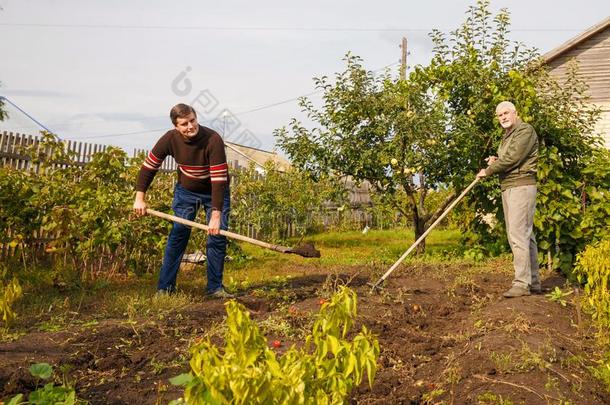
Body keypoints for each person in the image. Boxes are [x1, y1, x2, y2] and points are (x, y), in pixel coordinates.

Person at [133, 103, 233, 298]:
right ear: (176, 127)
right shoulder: (169, 139)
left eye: (192, 120)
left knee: (217, 236)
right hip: (186, 192)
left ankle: (215, 288)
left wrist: (215, 214)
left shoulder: (212, 139)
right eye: (184, 124)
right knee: (178, 234)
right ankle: (165, 288)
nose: (190, 126)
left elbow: (219, 180)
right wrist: (139, 198)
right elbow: (149, 167)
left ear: (196, 118)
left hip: (215, 191)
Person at [477, 101, 540, 298]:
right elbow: (508, 158)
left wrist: (488, 171)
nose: (503, 117)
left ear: (515, 113)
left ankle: (521, 284)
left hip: (521, 185)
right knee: (525, 235)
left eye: (506, 113)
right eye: (499, 115)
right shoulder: (508, 135)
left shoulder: (525, 131)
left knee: (517, 234)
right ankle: (534, 281)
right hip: (510, 186)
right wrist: (496, 160)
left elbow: (513, 158)